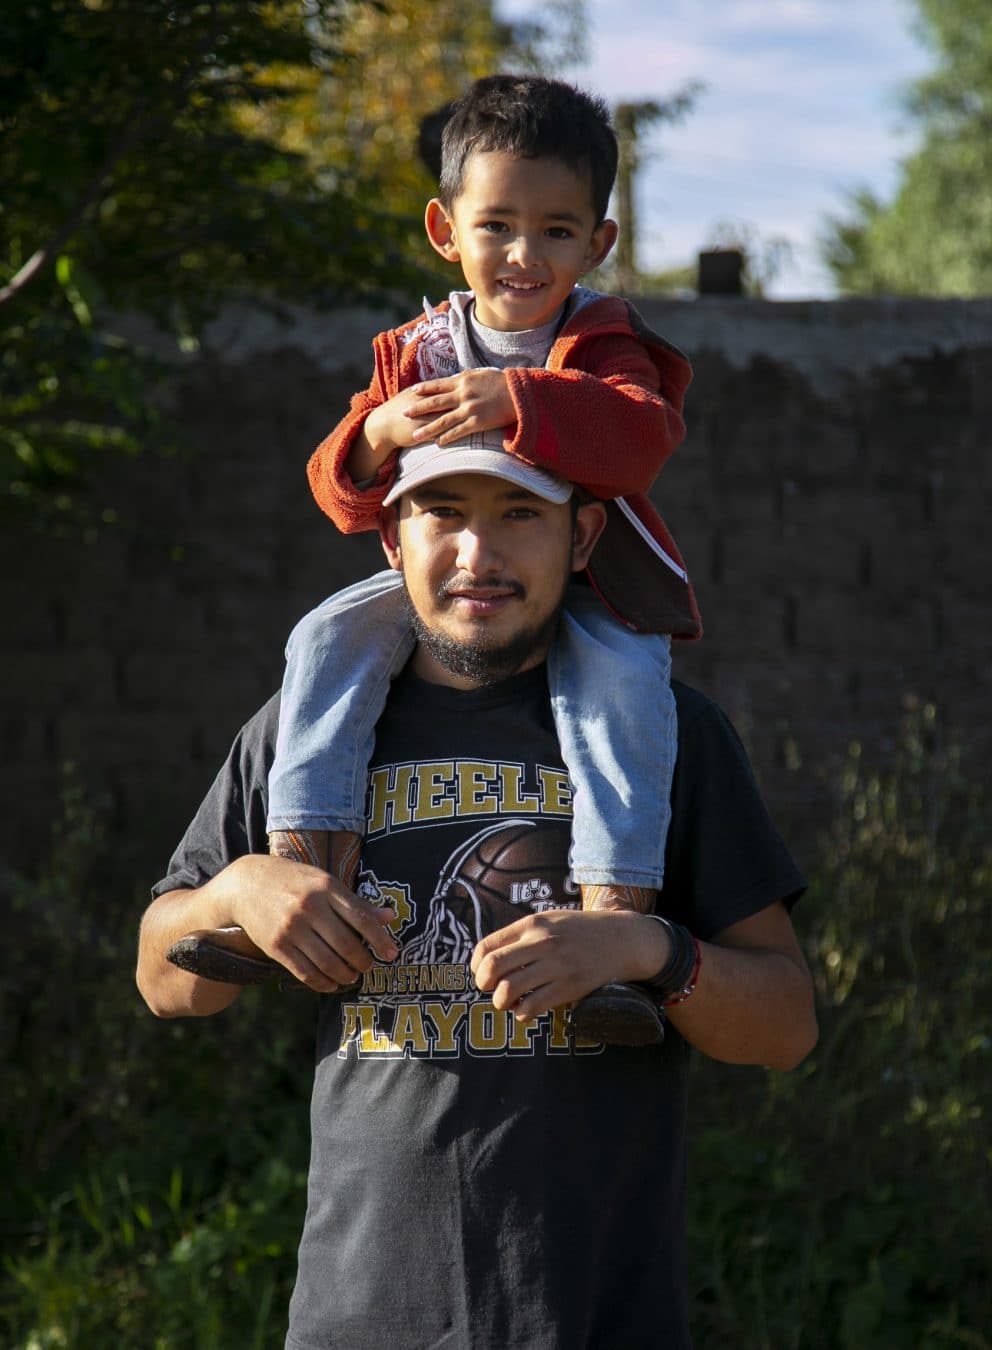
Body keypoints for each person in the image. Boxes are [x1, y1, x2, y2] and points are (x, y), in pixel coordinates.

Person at [137, 438, 818, 1349]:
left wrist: (648, 951)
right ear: (391, 538)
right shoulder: (308, 737)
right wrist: (243, 888)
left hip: (592, 1319)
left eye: (519, 516)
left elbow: (785, 1027)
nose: (477, 555)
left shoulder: (662, 737)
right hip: (359, 1319)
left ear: (581, 538)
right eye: (443, 513)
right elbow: (163, 979)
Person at [263, 74, 701, 1043]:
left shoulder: (600, 339)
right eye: (496, 224)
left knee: (622, 698)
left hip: (584, 590)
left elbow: (638, 442)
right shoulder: (413, 350)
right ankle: (305, 868)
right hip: (450, 583)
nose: (522, 253)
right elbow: (340, 499)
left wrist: (520, 401)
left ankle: (610, 925)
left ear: (598, 243)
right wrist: (375, 434)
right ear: (442, 229)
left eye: (555, 230)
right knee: (324, 636)